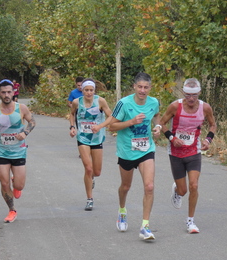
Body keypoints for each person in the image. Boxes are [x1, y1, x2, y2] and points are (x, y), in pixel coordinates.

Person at [160, 78, 216, 234]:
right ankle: (177, 190)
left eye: (194, 96)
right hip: (176, 152)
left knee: (194, 185)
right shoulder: (175, 106)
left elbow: (213, 124)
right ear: (184, 93)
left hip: (194, 151)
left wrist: (208, 139)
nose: (191, 99)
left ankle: (190, 221)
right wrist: (172, 138)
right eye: (188, 95)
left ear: (199, 93)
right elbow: (162, 122)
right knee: (184, 190)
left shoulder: (205, 108)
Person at [109, 72, 161, 240]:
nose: (143, 90)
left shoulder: (154, 102)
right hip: (126, 151)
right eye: (140, 87)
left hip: (146, 150)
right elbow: (112, 126)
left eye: (146, 87)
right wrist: (131, 122)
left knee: (150, 186)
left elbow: (157, 116)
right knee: (125, 187)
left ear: (150, 88)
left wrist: (158, 127)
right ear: (134, 87)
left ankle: (145, 226)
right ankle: (122, 210)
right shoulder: (124, 104)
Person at [0, 79, 36, 223]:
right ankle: (12, 210)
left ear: (13, 93)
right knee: (4, 183)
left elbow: (32, 121)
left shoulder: (22, 108)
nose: (6, 95)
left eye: (9, 92)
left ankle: (16, 182)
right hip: (1, 151)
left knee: (19, 186)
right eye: (3, 92)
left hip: (18, 151)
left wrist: (25, 133)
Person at [69, 78, 112, 211]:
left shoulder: (100, 101)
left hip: (97, 138)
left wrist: (100, 126)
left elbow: (111, 116)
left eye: (91, 90)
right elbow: (71, 114)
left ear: (94, 90)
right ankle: (89, 199)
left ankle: (92, 177)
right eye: (86, 90)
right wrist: (72, 127)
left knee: (96, 172)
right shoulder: (77, 102)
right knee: (88, 168)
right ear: (82, 90)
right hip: (83, 138)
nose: (88, 93)